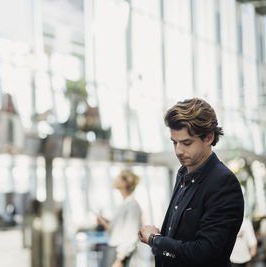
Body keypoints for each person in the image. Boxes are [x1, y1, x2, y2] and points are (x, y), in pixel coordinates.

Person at [138, 98, 244, 267]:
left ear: (209, 137)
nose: (178, 150)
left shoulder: (223, 183)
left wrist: (155, 240)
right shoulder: (182, 174)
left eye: (187, 143)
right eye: (174, 142)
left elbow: (205, 254)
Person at [97, 170, 142, 267]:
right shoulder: (123, 204)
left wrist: (119, 259)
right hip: (113, 249)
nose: (115, 179)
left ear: (125, 183)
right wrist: (105, 223)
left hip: (118, 253)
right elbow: (116, 231)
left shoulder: (133, 206)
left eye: (118, 178)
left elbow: (131, 235)